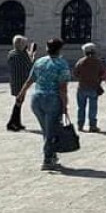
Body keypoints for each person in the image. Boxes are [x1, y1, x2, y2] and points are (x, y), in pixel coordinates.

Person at [16, 38, 71, 170]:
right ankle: (47, 159)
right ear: (60, 49)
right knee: (50, 130)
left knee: (46, 129)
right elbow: (62, 87)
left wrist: (21, 93)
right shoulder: (61, 64)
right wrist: (65, 104)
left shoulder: (39, 62)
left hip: (37, 99)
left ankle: (51, 154)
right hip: (52, 98)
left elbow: (30, 80)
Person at [73, 43, 104, 133]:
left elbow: (75, 73)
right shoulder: (98, 62)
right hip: (93, 87)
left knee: (81, 107)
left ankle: (80, 125)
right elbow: (102, 73)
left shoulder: (81, 61)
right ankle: (92, 126)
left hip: (82, 87)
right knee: (93, 108)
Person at [7, 35, 35, 131]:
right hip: (22, 81)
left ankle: (17, 122)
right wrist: (32, 54)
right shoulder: (22, 55)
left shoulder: (11, 53)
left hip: (14, 80)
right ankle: (12, 122)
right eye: (24, 44)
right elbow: (30, 65)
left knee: (18, 101)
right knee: (19, 102)